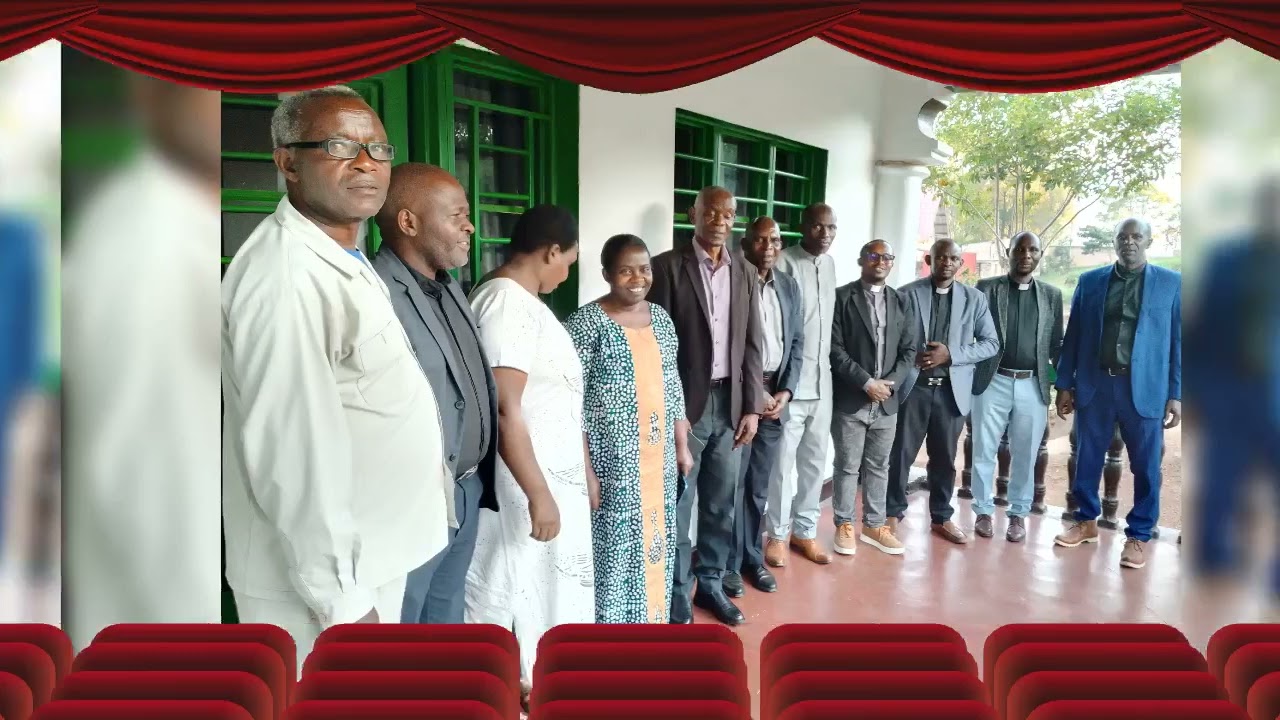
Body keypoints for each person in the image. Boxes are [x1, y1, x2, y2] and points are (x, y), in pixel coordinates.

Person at [222, 86, 454, 673]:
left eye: (378, 149)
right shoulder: (286, 279)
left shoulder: (344, 252)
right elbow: (291, 455)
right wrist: (345, 607)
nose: (366, 163)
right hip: (323, 590)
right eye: (339, 147)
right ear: (287, 162)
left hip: (371, 556)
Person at [464, 205, 595, 697]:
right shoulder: (506, 304)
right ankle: (515, 683)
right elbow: (505, 408)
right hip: (523, 481)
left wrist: (580, 474)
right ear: (551, 251)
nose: (566, 274)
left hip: (546, 475)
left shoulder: (519, 300)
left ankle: (535, 679)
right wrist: (539, 494)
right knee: (509, 580)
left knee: (537, 583)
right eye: (569, 262)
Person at [371, 163, 500, 624]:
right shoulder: (375, 293)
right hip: (413, 500)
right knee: (403, 622)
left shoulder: (449, 286)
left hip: (466, 486)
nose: (470, 226)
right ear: (409, 222)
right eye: (457, 215)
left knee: (445, 621)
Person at [648, 186, 764, 626]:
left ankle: (711, 584)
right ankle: (677, 593)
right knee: (679, 502)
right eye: (710, 212)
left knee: (720, 503)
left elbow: (752, 342)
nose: (719, 221)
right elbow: (657, 344)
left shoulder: (745, 271)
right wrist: (668, 407)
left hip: (731, 404)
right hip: (685, 407)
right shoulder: (666, 267)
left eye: (728, 214)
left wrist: (752, 407)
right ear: (692, 214)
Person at [566, 234, 693, 623]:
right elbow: (570, 403)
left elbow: (672, 385)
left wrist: (682, 445)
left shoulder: (661, 319)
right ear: (606, 274)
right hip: (613, 469)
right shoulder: (585, 324)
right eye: (625, 271)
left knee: (657, 545)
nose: (637, 279)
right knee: (614, 555)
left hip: (660, 465)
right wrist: (585, 471)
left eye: (644, 269)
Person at [1054, 218, 1181, 570]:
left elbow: (1179, 341)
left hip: (1145, 389)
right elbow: (1073, 336)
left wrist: (1176, 392)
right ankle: (1086, 521)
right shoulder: (1090, 282)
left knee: (1146, 465)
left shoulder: (1171, 284)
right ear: (1114, 242)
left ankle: (1139, 535)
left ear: (1149, 241)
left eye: (1136, 236)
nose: (1129, 242)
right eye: (1122, 237)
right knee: (1087, 457)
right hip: (1096, 384)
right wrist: (1064, 383)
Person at [887, 239, 999, 546]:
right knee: (900, 454)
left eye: (953, 258)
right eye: (941, 257)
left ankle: (941, 516)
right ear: (929, 259)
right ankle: (891, 512)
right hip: (914, 389)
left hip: (951, 391)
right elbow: (889, 337)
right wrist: (907, 357)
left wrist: (952, 354)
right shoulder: (907, 294)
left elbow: (991, 344)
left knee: (945, 459)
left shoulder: (974, 299)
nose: (947, 262)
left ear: (960, 263)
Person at [724, 218, 803, 597]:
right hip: (739, 395)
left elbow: (797, 342)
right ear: (745, 244)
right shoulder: (731, 282)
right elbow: (728, 346)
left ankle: (751, 558)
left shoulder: (788, 285)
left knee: (758, 486)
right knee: (731, 486)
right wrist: (754, 394)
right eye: (760, 240)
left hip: (775, 398)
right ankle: (727, 565)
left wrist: (786, 391)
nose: (768, 247)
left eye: (774, 240)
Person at [971, 232, 1063, 543]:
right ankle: (983, 510)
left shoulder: (1051, 295)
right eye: (1019, 249)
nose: (1026, 255)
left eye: (1033, 250)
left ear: (1040, 255)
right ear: (1008, 253)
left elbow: (1056, 343)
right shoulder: (987, 288)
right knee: (984, 448)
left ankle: (1018, 514)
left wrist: (1064, 384)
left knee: (1026, 452)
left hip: (1032, 383)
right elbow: (971, 333)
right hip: (992, 380)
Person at [829, 240, 916, 556]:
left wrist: (888, 385)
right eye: (873, 256)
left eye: (886, 257)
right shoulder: (842, 297)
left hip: (886, 402)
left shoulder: (901, 301)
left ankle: (874, 525)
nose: (880, 262)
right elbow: (835, 348)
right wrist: (866, 383)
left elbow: (909, 350)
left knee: (879, 465)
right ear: (861, 260)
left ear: (892, 263)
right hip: (851, 398)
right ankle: (844, 524)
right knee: (847, 466)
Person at [770, 203, 838, 566]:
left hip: (822, 382)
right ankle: (777, 535)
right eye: (817, 226)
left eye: (831, 227)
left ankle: (805, 531)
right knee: (783, 464)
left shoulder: (830, 265)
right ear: (803, 226)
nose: (825, 234)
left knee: (814, 461)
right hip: (792, 383)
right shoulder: (785, 262)